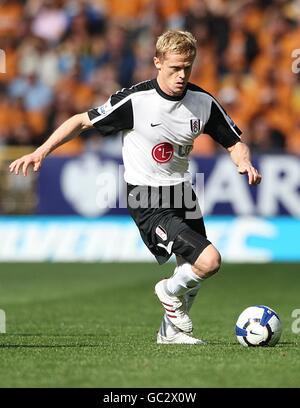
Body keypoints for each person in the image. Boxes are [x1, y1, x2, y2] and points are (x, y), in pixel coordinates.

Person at [9, 30, 261, 345]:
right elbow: (79, 121)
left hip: (183, 192)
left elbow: (234, 142)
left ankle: (170, 334)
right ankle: (166, 290)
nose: (181, 76)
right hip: (147, 196)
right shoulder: (136, 101)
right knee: (209, 261)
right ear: (157, 62)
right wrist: (40, 151)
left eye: (187, 68)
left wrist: (244, 162)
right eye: (174, 68)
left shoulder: (202, 103)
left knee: (191, 270)